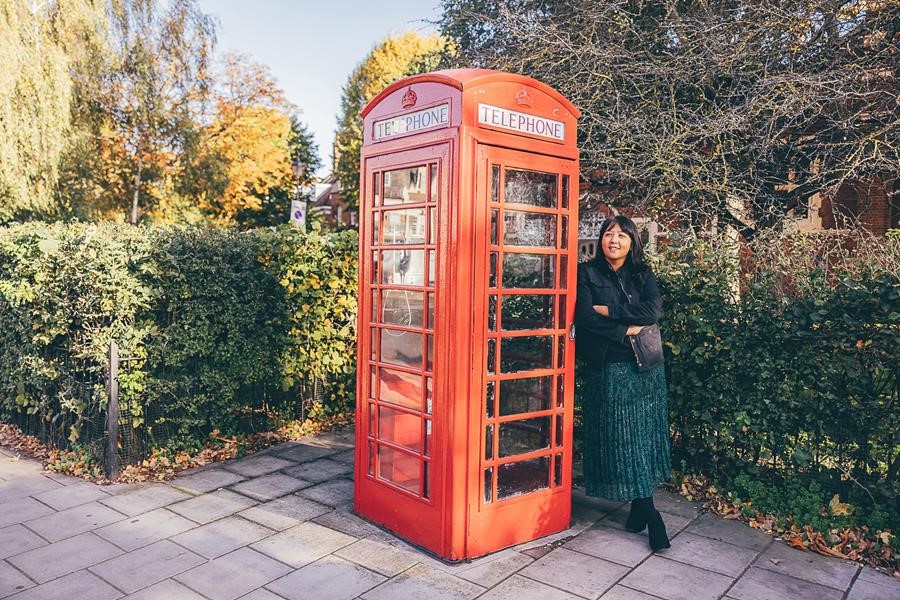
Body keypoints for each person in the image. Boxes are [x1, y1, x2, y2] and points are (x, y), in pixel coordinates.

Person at [575, 215, 671, 552]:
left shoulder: (642, 273)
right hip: (609, 367)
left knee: (641, 438)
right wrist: (624, 327)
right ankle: (649, 512)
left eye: (621, 235)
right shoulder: (586, 273)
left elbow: (652, 312)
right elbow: (584, 318)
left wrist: (610, 311)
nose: (613, 240)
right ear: (600, 240)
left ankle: (637, 510)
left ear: (632, 241)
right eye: (607, 234)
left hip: (646, 369)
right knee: (620, 438)